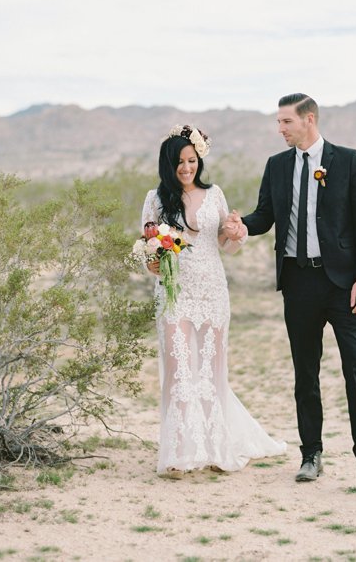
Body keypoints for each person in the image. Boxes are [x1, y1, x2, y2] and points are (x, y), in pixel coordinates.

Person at [225, 93, 356, 485]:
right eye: (278, 123)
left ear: (308, 120)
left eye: (286, 122)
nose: (280, 129)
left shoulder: (347, 161)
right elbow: (266, 214)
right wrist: (242, 225)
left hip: (343, 285)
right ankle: (311, 455)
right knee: (305, 372)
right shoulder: (277, 165)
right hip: (298, 282)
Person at [142, 124, 285, 477]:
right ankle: (178, 454)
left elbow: (229, 244)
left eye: (191, 161)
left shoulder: (215, 194)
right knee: (177, 371)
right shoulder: (155, 199)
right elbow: (148, 258)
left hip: (212, 291)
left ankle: (213, 448)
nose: (187, 168)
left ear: (199, 160)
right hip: (174, 293)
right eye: (179, 163)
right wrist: (157, 258)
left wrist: (237, 232)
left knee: (209, 371)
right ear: (167, 165)